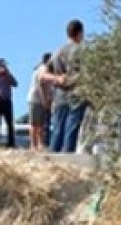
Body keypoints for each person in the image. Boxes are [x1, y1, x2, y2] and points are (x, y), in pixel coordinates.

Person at [48, 19, 89, 154]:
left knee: (57, 130)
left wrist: (58, 78)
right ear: (80, 33)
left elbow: (45, 72)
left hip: (59, 94)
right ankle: (67, 160)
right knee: (71, 129)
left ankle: (53, 159)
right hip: (77, 93)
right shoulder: (82, 50)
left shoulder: (58, 52)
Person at [26, 54, 54, 152]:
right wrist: (44, 99)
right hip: (35, 99)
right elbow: (41, 84)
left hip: (41, 100)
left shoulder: (46, 70)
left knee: (41, 124)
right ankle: (33, 145)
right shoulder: (42, 69)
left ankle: (40, 144)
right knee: (34, 124)